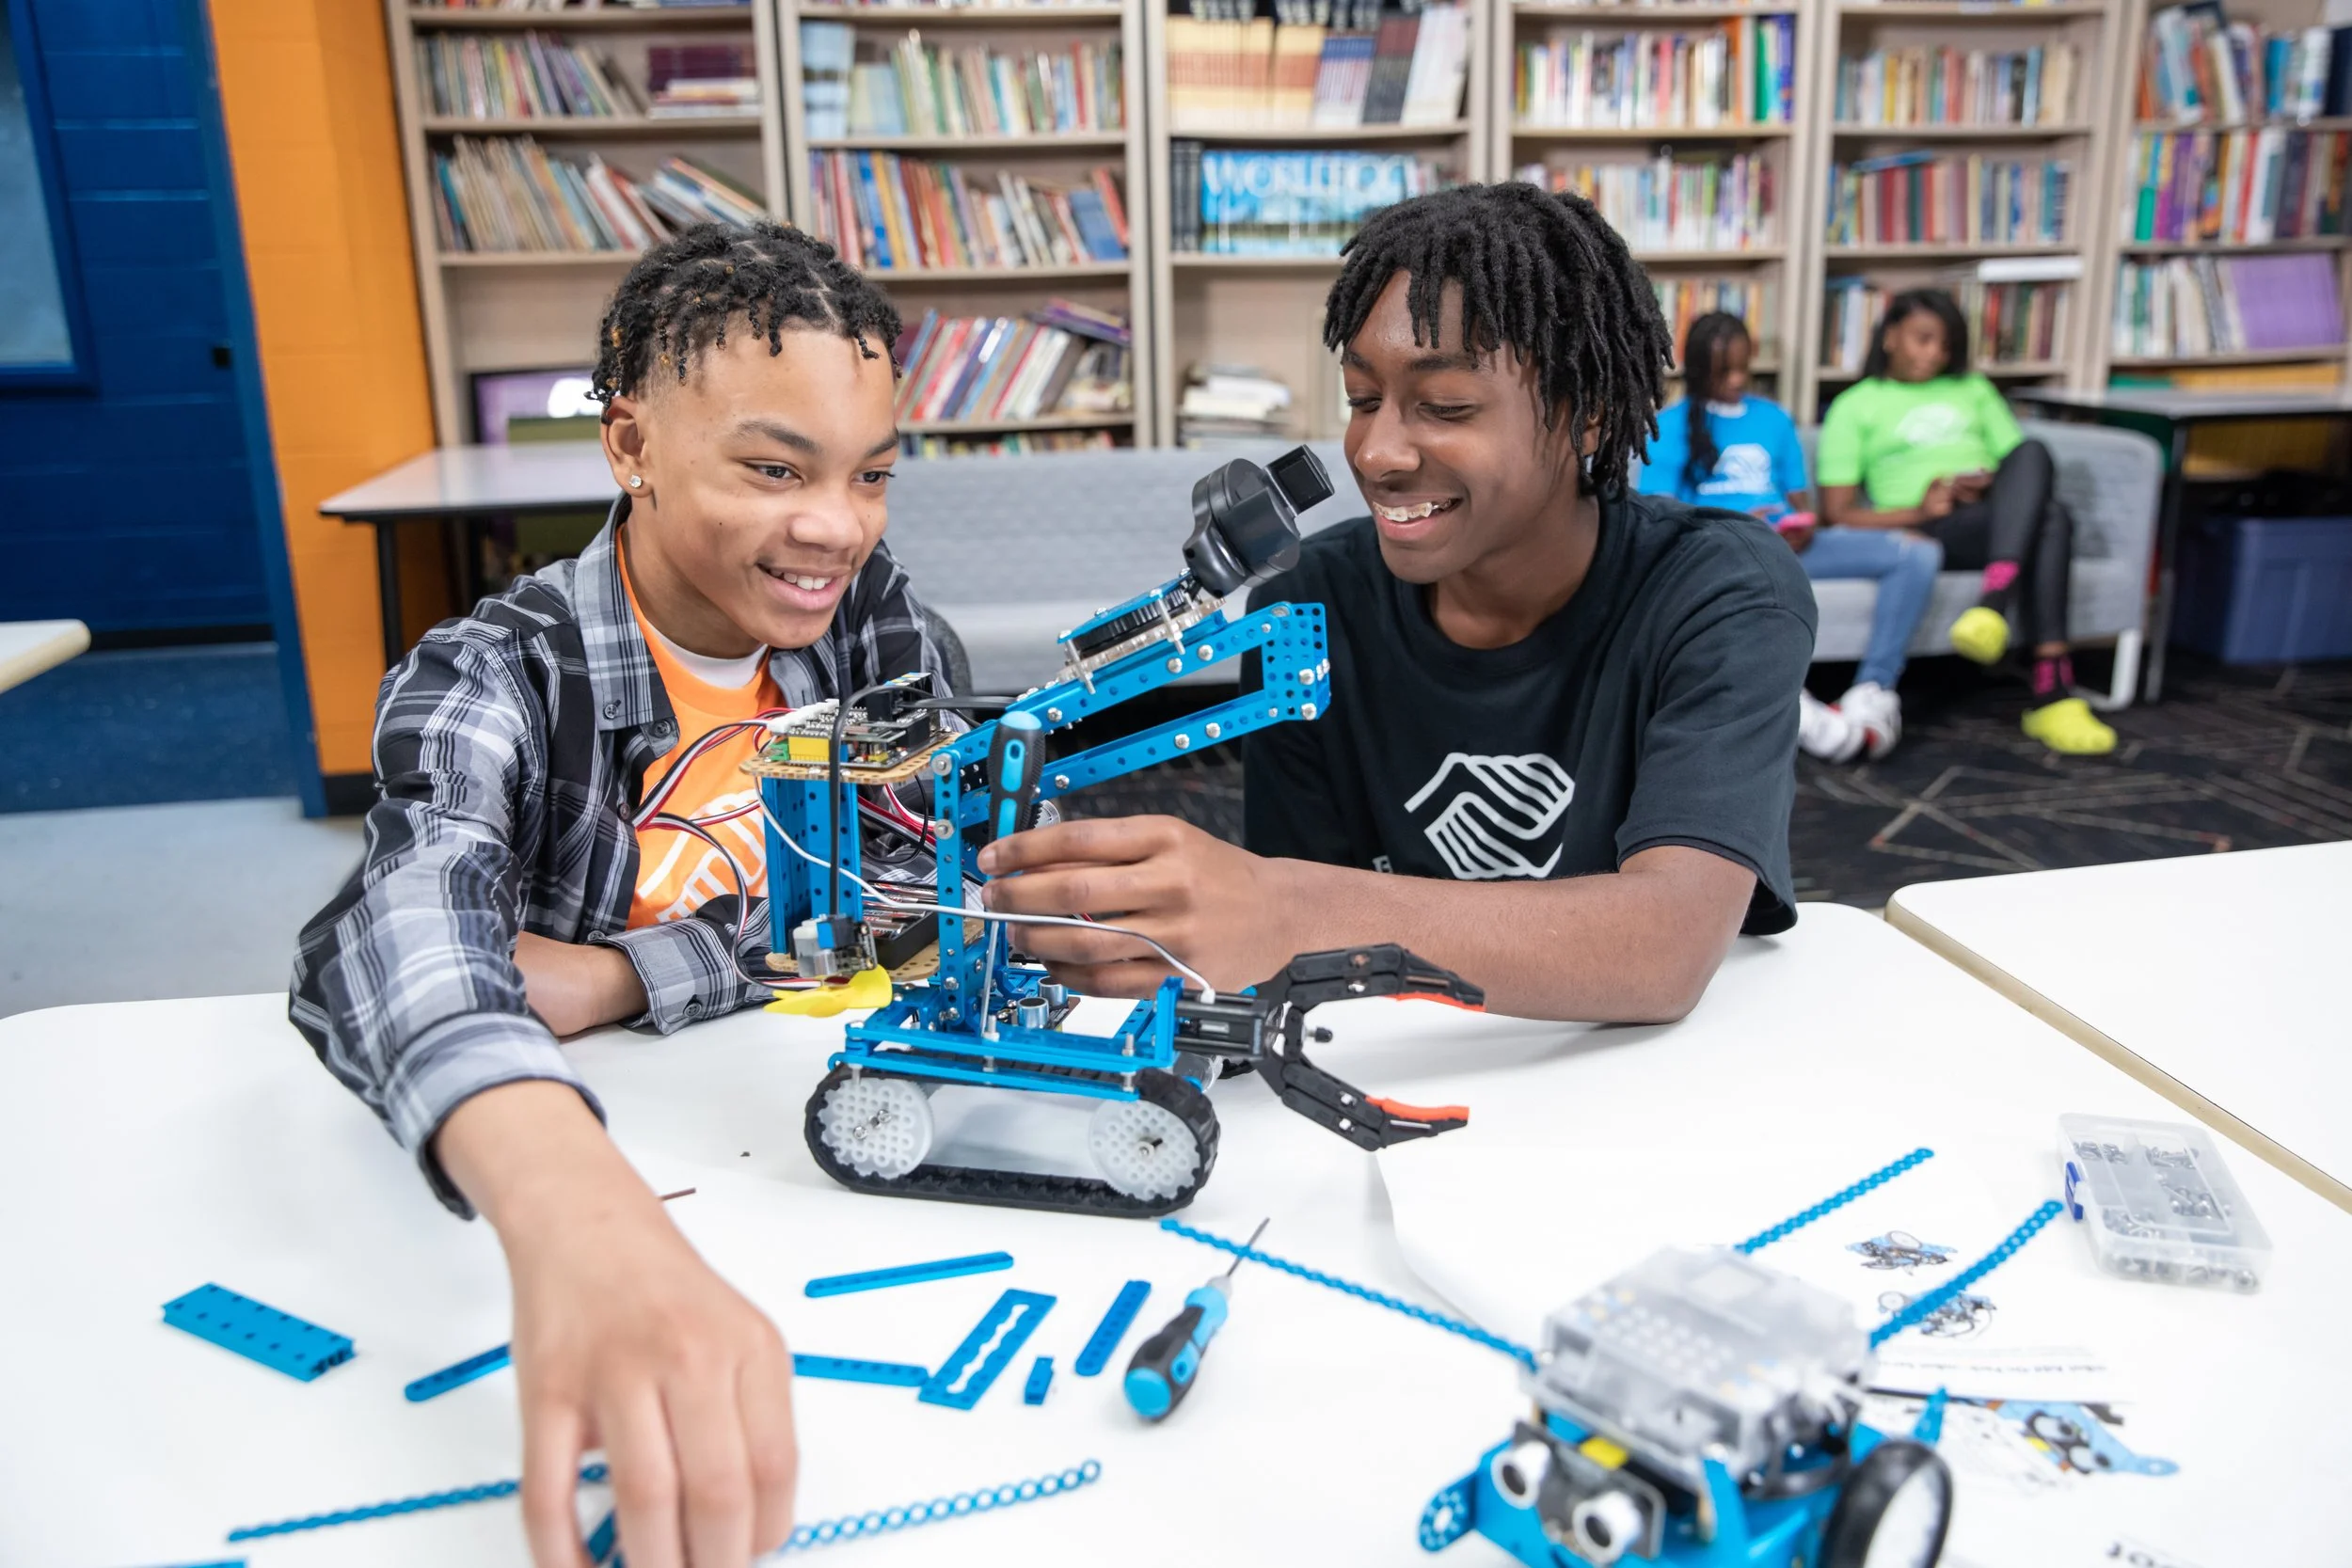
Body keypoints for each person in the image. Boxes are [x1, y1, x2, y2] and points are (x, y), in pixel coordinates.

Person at [292, 223, 946, 1567]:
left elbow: (916, 877)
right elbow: (393, 929)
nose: (835, 526)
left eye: (871, 474)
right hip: (624, 1163)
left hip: (804, 1171)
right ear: (632, 446)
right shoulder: (493, 673)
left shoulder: (878, 623)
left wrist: (632, 972)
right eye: (775, 469)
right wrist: (581, 1220)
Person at [978, 182, 1816, 1022]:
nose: (1374, 455)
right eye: (1361, 399)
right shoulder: (1312, 603)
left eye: (1444, 406)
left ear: (1588, 415)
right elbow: (1298, 973)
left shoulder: (1722, 592)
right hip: (1400, 1055)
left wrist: (1284, 907)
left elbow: (1663, 946)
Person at [1815, 289, 2117, 755]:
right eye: (1923, 339)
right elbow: (1837, 513)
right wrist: (1923, 508)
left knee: (2033, 455)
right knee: (2053, 519)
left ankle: (1994, 602)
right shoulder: (1856, 404)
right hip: (1933, 527)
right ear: (1890, 336)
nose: (1934, 353)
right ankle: (2052, 690)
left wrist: (1985, 483)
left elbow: (2018, 464)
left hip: (1992, 516)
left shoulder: (1974, 390)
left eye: (1945, 345)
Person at [1638, 311, 1941, 763]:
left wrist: (1802, 525)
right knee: (1739, 566)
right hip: (1725, 547)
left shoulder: (1774, 420)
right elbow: (1659, 517)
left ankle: (1873, 689)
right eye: (1726, 371)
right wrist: (1733, 522)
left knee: (1917, 553)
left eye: (1745, 368)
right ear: (1699, 369)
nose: (1739, 379)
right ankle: (1788, 700)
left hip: (1793, 544)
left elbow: (1802, 503)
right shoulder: (1670, 426)